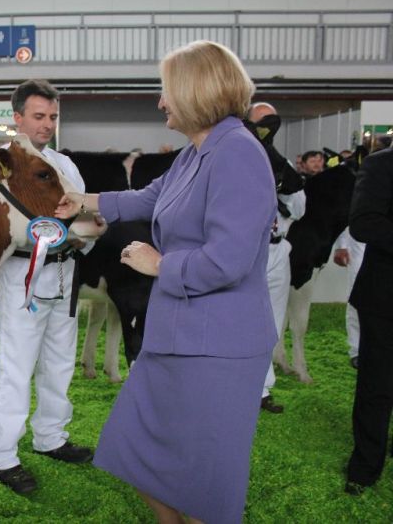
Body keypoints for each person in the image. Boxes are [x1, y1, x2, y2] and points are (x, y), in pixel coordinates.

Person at [56, 41, 276, 523]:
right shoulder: (196, 153)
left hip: (218, 345)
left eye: (166, 90)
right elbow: (151, 197)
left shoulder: (238, 152)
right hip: (176, 334)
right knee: (134, 447)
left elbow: (230, 259)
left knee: (202, 482)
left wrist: (161, 264)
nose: (160, 101)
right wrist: (85, 200)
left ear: (196, 92)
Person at [0, 79, 93, 495]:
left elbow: (82, 215)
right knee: (17, 363)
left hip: (66, 271)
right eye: (39, 116)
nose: (47, 124)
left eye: (53, 117)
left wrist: (81, 235)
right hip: (22, 274)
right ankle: (1, 452)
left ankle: (50, 436)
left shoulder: (66, 165)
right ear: (18, 118)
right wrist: (56, 233)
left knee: (61, 359)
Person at [247, 102, 307, 414]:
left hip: (278, 248)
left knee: (272, 322)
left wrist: (281, 188)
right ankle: (237, 386)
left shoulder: (280, 164)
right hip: (247, 250)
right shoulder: (240, 162)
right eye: (259, 123)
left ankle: (262, 389)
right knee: (242, 320)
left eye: (268, 123)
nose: (263, 130)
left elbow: (299, 207)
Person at [344, 144, 393, 496]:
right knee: (377, 384)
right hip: (385, 297)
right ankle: (364, 467)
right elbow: (363, 223)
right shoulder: (379, 165)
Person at [333, 228, 365, 369]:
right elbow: (347, 212)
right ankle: (357, 351)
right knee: (357, 294)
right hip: (361, 242)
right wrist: (341, 245)